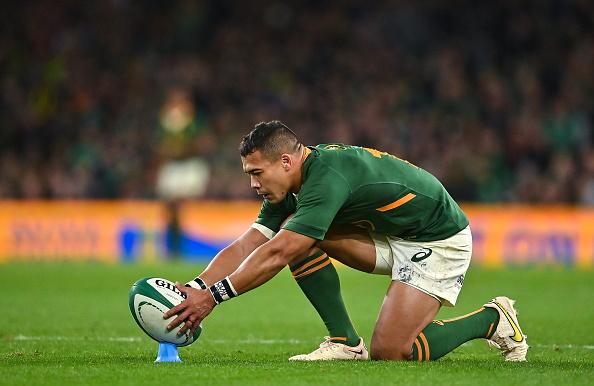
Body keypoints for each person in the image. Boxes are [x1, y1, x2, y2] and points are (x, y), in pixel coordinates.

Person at [164, 120, 529, 361]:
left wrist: (211, 299)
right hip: (389, 235)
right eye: (249, 174)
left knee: (393, 351)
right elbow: (251, 243)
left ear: (286, 161)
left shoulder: (325, 179)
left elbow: (277, 252)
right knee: (297, 234)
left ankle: (491, 319)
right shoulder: (294, 183)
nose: (253, 184)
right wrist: (194, 289)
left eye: (257, 173)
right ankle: (344, 342)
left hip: (437, 239)